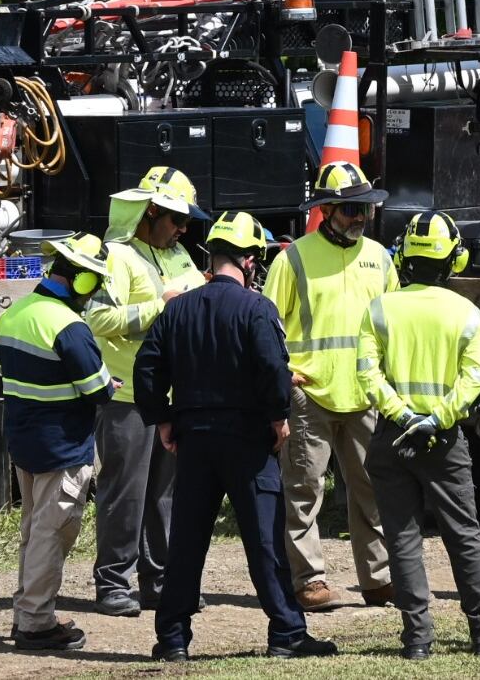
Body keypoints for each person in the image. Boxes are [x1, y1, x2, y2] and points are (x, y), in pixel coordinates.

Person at [133, 211, 338, 662]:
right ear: (248, 261)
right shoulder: (257, 309)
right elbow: (271, 369)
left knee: (186, 542)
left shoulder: (178, 309)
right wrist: (278, 417)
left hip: (194, 441)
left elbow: (146, 367)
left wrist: (163, 418)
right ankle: (286, 632)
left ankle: (172, 639)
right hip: (247, 441)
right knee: (265, 539)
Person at [357, 212, 480, 660]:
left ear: (405, 255)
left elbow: (368, 373)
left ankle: (417, 640)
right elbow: (474, 379)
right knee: (463, 534)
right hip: (443, 440)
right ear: (454, 259)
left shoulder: (380, 308)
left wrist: (402, 414)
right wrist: (436, 418)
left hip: (392, 436)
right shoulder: (467, 313)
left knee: (403, 537)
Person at [263, 160, 397, 611]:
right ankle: (309, 582)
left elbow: (392, 322)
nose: (358, 217)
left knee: (372, 491)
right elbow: (268, 324)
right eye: (348, 209)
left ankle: (378, 580)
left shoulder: (380, 258)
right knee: (304, 491)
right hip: (311, 394)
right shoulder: (293, 258)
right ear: (325, 210)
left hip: (364, 393)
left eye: (363, 209)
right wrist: (285, 376)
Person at [87, 165, 210, 617]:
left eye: (186, 224)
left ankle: (158, 581)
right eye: (176, 221)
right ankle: (113, 582)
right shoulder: (117, 256)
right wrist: (160, 307)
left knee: (164, 495)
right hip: (128, 397)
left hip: (173, 396)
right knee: (127, 492)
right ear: (151, 211)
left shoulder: (178, 255)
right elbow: (97, 320)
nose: (182, 230)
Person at [0, 233, 118, 652]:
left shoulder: (17, 312)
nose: (95, 292)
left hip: (25, 443)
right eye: (95, 282)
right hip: (63, 448)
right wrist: (110, 383)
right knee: (53, 533)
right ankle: (35, 624)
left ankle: (27, 613)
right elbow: (97, 390)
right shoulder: (69, 326)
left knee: (33, 531)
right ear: (82, 281)